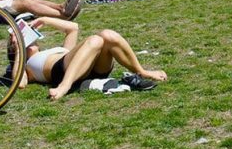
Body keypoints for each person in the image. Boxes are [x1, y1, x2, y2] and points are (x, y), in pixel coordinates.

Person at [17, 15, 167, 100]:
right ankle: (64, 86)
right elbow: (20, 84)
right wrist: (18, 48)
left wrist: (44, 20)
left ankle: (142, 71)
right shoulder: (26, 66)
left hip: (87, 66)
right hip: (61, 72)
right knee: (96, 40)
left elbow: (73, 28)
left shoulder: (60, 50)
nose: (30, 42)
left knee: (107, 35)